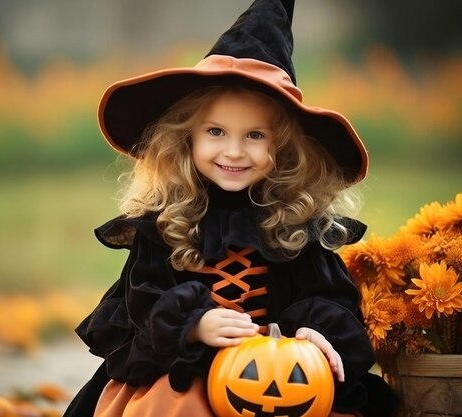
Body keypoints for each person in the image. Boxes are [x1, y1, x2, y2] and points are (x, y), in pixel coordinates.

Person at [65, 0, 398, 416]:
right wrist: (195, 325)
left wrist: (317, 331)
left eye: (255, 134)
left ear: (285, 146)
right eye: (216, 131)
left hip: (278, 372)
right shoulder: (165, 222)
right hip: (182, 369)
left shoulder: (296, 225)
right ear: (186, 137)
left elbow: (330, 297)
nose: (235, 151)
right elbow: (143, 305)